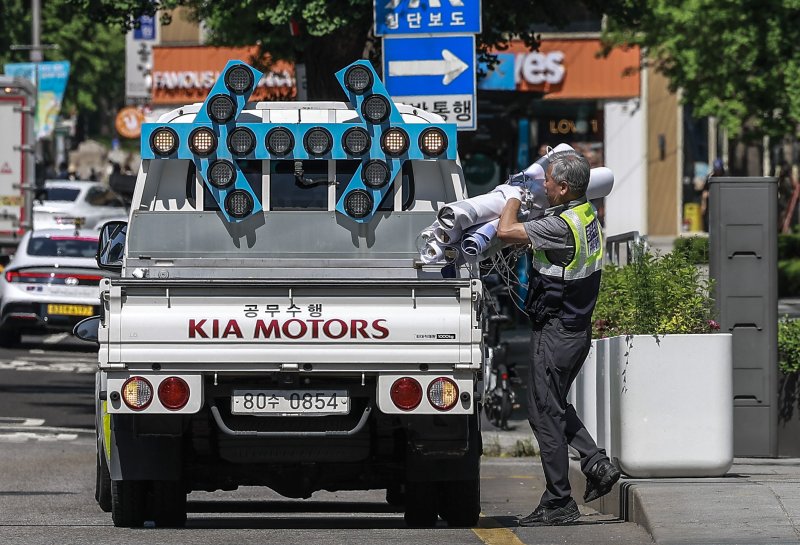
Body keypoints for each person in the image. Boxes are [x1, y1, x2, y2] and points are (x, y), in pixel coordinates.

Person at [497, 150, 620, 527]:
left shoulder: (560, 227)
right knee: (551, 406)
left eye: (549, 180)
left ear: (565, 188)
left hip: (556, 332)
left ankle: (559, 501)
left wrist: (512, 194)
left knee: (544, 414)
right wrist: (548, 160)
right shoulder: (584, 215)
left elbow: (505, 230)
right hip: (574, 329)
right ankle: (595, 463)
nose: (544, 184)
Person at [701, 158, 725, 231]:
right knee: (708, 218)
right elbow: (704, 192)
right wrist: (703, 205)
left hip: (723, 202)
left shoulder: (726, 176)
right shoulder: (710, 177)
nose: (718, 172)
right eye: (716, 170)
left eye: (719, 170)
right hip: (712, 202)